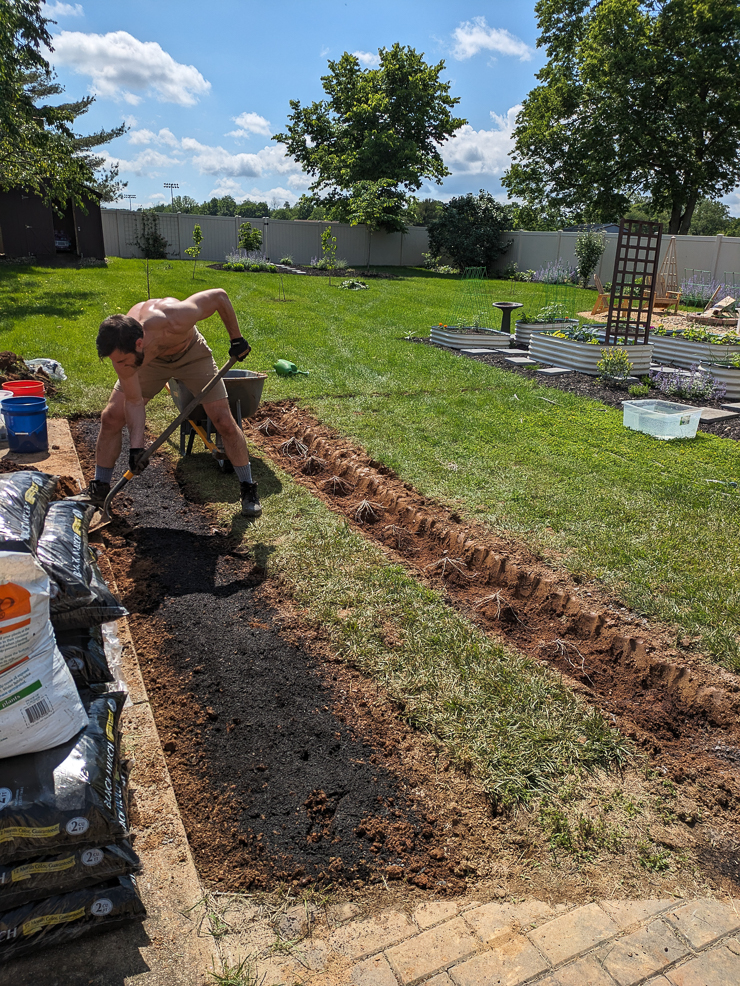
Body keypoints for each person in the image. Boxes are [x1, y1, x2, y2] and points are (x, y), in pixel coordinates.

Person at [90, 288, 262, 518]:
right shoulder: (124, 356)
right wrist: (136, 448)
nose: (118, 366)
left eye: (121, 360)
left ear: (139, 343)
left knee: (223, 420)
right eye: (114, 361)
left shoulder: (175, 316)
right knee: (111, 416)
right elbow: (133, 401)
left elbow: (219, 296)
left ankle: (248, 488)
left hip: (191, 353)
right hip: (151, 364)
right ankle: (99, 488)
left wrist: (237, 339)